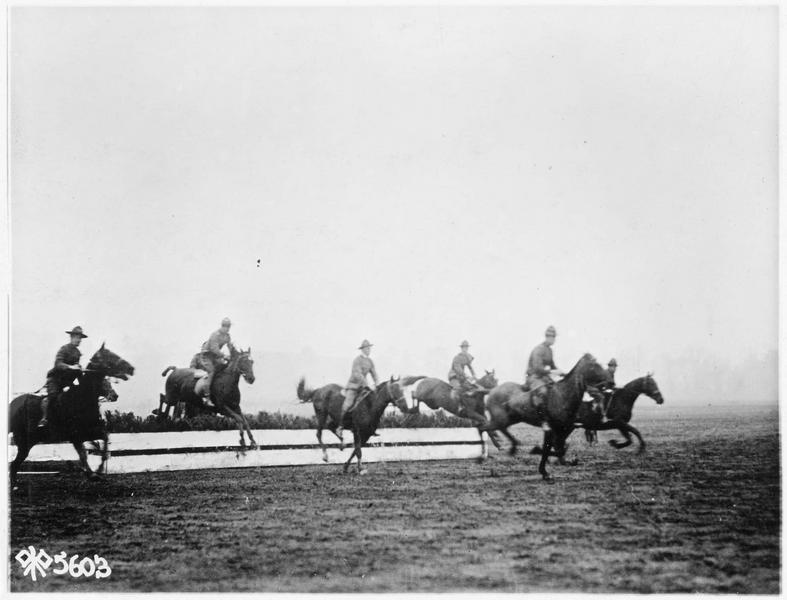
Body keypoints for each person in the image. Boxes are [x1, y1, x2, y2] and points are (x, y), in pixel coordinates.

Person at [38, 326, 88, 428]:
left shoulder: (78, 353)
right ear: (71, 337)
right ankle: (44, 418)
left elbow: (76, 370)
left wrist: (80, 370)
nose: (79, 340)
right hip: (55, 380)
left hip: (67, 382)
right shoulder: (64, 349)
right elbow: (58, 364)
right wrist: (71, 367)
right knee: (53, 396)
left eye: (80, 338)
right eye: (77, 337)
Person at [337, 339, 379, 440]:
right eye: (367, 348)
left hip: (364, 387)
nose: (369, 350)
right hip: (354, 386)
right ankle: (340, 426)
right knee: (348, 403)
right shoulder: (357, 360)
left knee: (373, 402)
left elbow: (374, 373)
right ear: (363, 349)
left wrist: (377, 383)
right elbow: (358, 374)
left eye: (369, 348)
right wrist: (366, 384)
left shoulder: (370, 361)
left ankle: (370, 428)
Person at [524, 325, 564, 427]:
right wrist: (553, 372)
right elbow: (537, 368)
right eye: (553, 337)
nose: (554, 340)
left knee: (557, 391)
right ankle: (543, 421)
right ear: (548, 337)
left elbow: (553, 366)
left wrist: (564, 373)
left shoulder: (550, 350)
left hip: (543, 377)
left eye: (555, 337)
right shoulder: (538, 349)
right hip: (534, 377)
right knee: (543, 392)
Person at [197, 317, 235, 404]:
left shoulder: (227, 336)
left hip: (215, 357)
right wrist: (224, 356)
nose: (228, 328)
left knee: (225, 368)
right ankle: (206, 397)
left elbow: (230, 347)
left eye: (229, 326)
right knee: (211, 372)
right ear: (222, 326)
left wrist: (234, 355)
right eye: (226, 326)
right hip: (206, 356)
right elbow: (214, 349)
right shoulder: (215, 335)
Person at [448, 340, 478, 405]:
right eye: (464, 347)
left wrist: (474, 375)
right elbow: (458, 369)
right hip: (454, 376)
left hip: (461, 377)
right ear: (461, 348)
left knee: (471, 387)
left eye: (467, 347)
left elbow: (470, 367)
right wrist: (466, 376)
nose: (466, 349)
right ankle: (457, 405)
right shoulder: (457, 358)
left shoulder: (467, 357)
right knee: (458, 389)